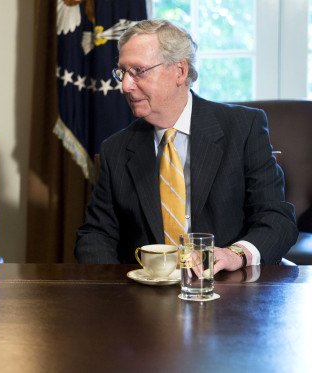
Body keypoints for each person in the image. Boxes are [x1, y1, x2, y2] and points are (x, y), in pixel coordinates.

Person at [75, 19, 298, 273]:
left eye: (139, 71)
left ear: (180, 71)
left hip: (226, 289)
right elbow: (95, 234)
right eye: (122, 72)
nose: (125, 85)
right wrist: (113, 292)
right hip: (144, 297)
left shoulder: (243, 128)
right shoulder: (115, 149)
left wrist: (236, 254)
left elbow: (277, 219)